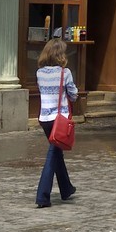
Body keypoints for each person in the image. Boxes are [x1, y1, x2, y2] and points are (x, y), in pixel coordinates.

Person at [34, 37, 79, 207]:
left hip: (44, 118)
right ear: (60, 54)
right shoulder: (64, 72)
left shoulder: (39, 73)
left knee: (57, 153)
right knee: (53, 155)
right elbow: (73, 95)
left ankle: (66, 188)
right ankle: (42, 196)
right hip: (59, 119)